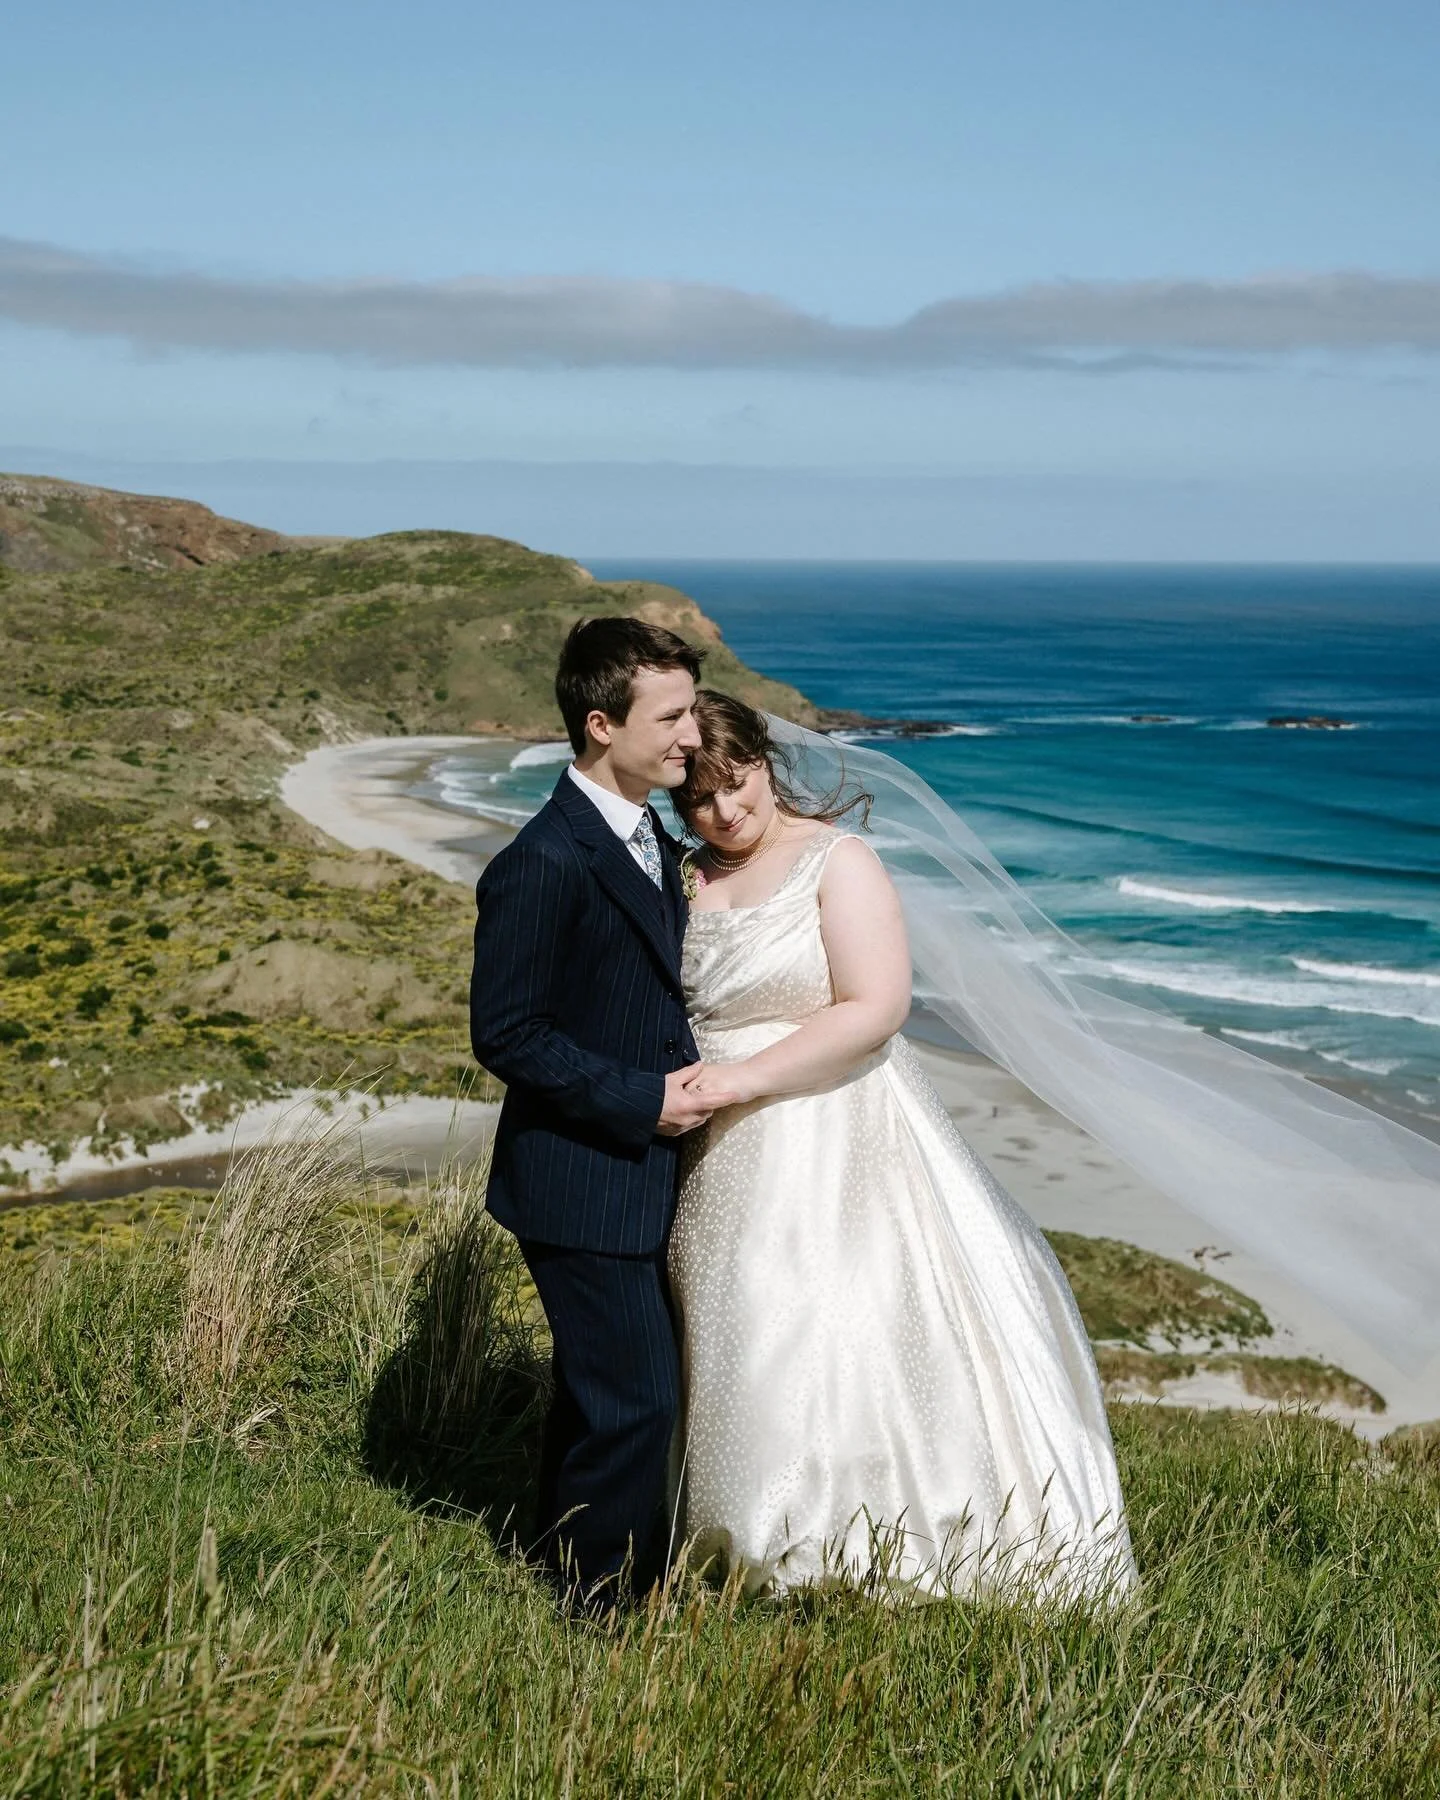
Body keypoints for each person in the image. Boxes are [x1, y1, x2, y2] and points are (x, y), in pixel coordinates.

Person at [668, 690, 1137, 1600]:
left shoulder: (837, 862)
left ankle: (845, 1547)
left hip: (831, 1127)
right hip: (714, 1148)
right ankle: (733, 1545)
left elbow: (876, 1010)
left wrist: (739, 1080)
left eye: (739, 783)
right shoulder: (686, 876)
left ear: (768, 763)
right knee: (729, 1322)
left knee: (826, 1319)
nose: (726, 812)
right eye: (699, 798)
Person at [469, 617, 713, 1610]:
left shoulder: (650, 832)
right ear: (603, 725)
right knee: (640, 1403)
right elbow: (508, 1034)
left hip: (638, 1173)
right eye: (675, 715)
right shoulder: (542, 861)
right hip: (580, 1175)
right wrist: (642, 1098)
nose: (694, 736)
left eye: (693, 710)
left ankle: (558, 1567)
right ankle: (602, 1612)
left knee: (593, 1392)